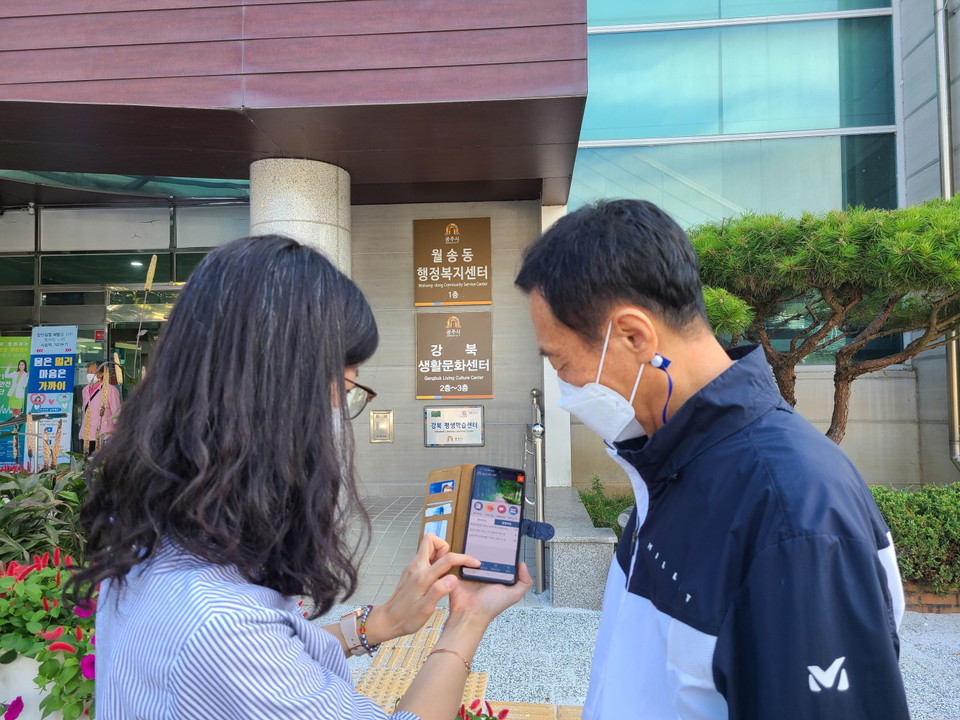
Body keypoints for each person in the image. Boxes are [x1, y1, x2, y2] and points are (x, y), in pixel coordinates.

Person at [69, 235, 531, 720]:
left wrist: (380, 625)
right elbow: (244, 651)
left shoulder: (161, 545)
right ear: (276, 405)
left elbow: (271, 651)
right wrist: (466, 623)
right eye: (346, 389)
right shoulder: (220, 627)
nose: (340, 419)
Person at [515, 199, 908, 719]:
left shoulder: (793, 514)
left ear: (634, 336)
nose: (563, 384)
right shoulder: (666, 465)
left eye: (562, 361)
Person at [79, 361, 122, 455]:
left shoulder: (110, 390)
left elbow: (117, 413)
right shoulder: (85, 390)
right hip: (87, 434)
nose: (89, 374)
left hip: (104, 434)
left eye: (93, 371)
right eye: (88, 371)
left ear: (101, 374)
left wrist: (115, 433)